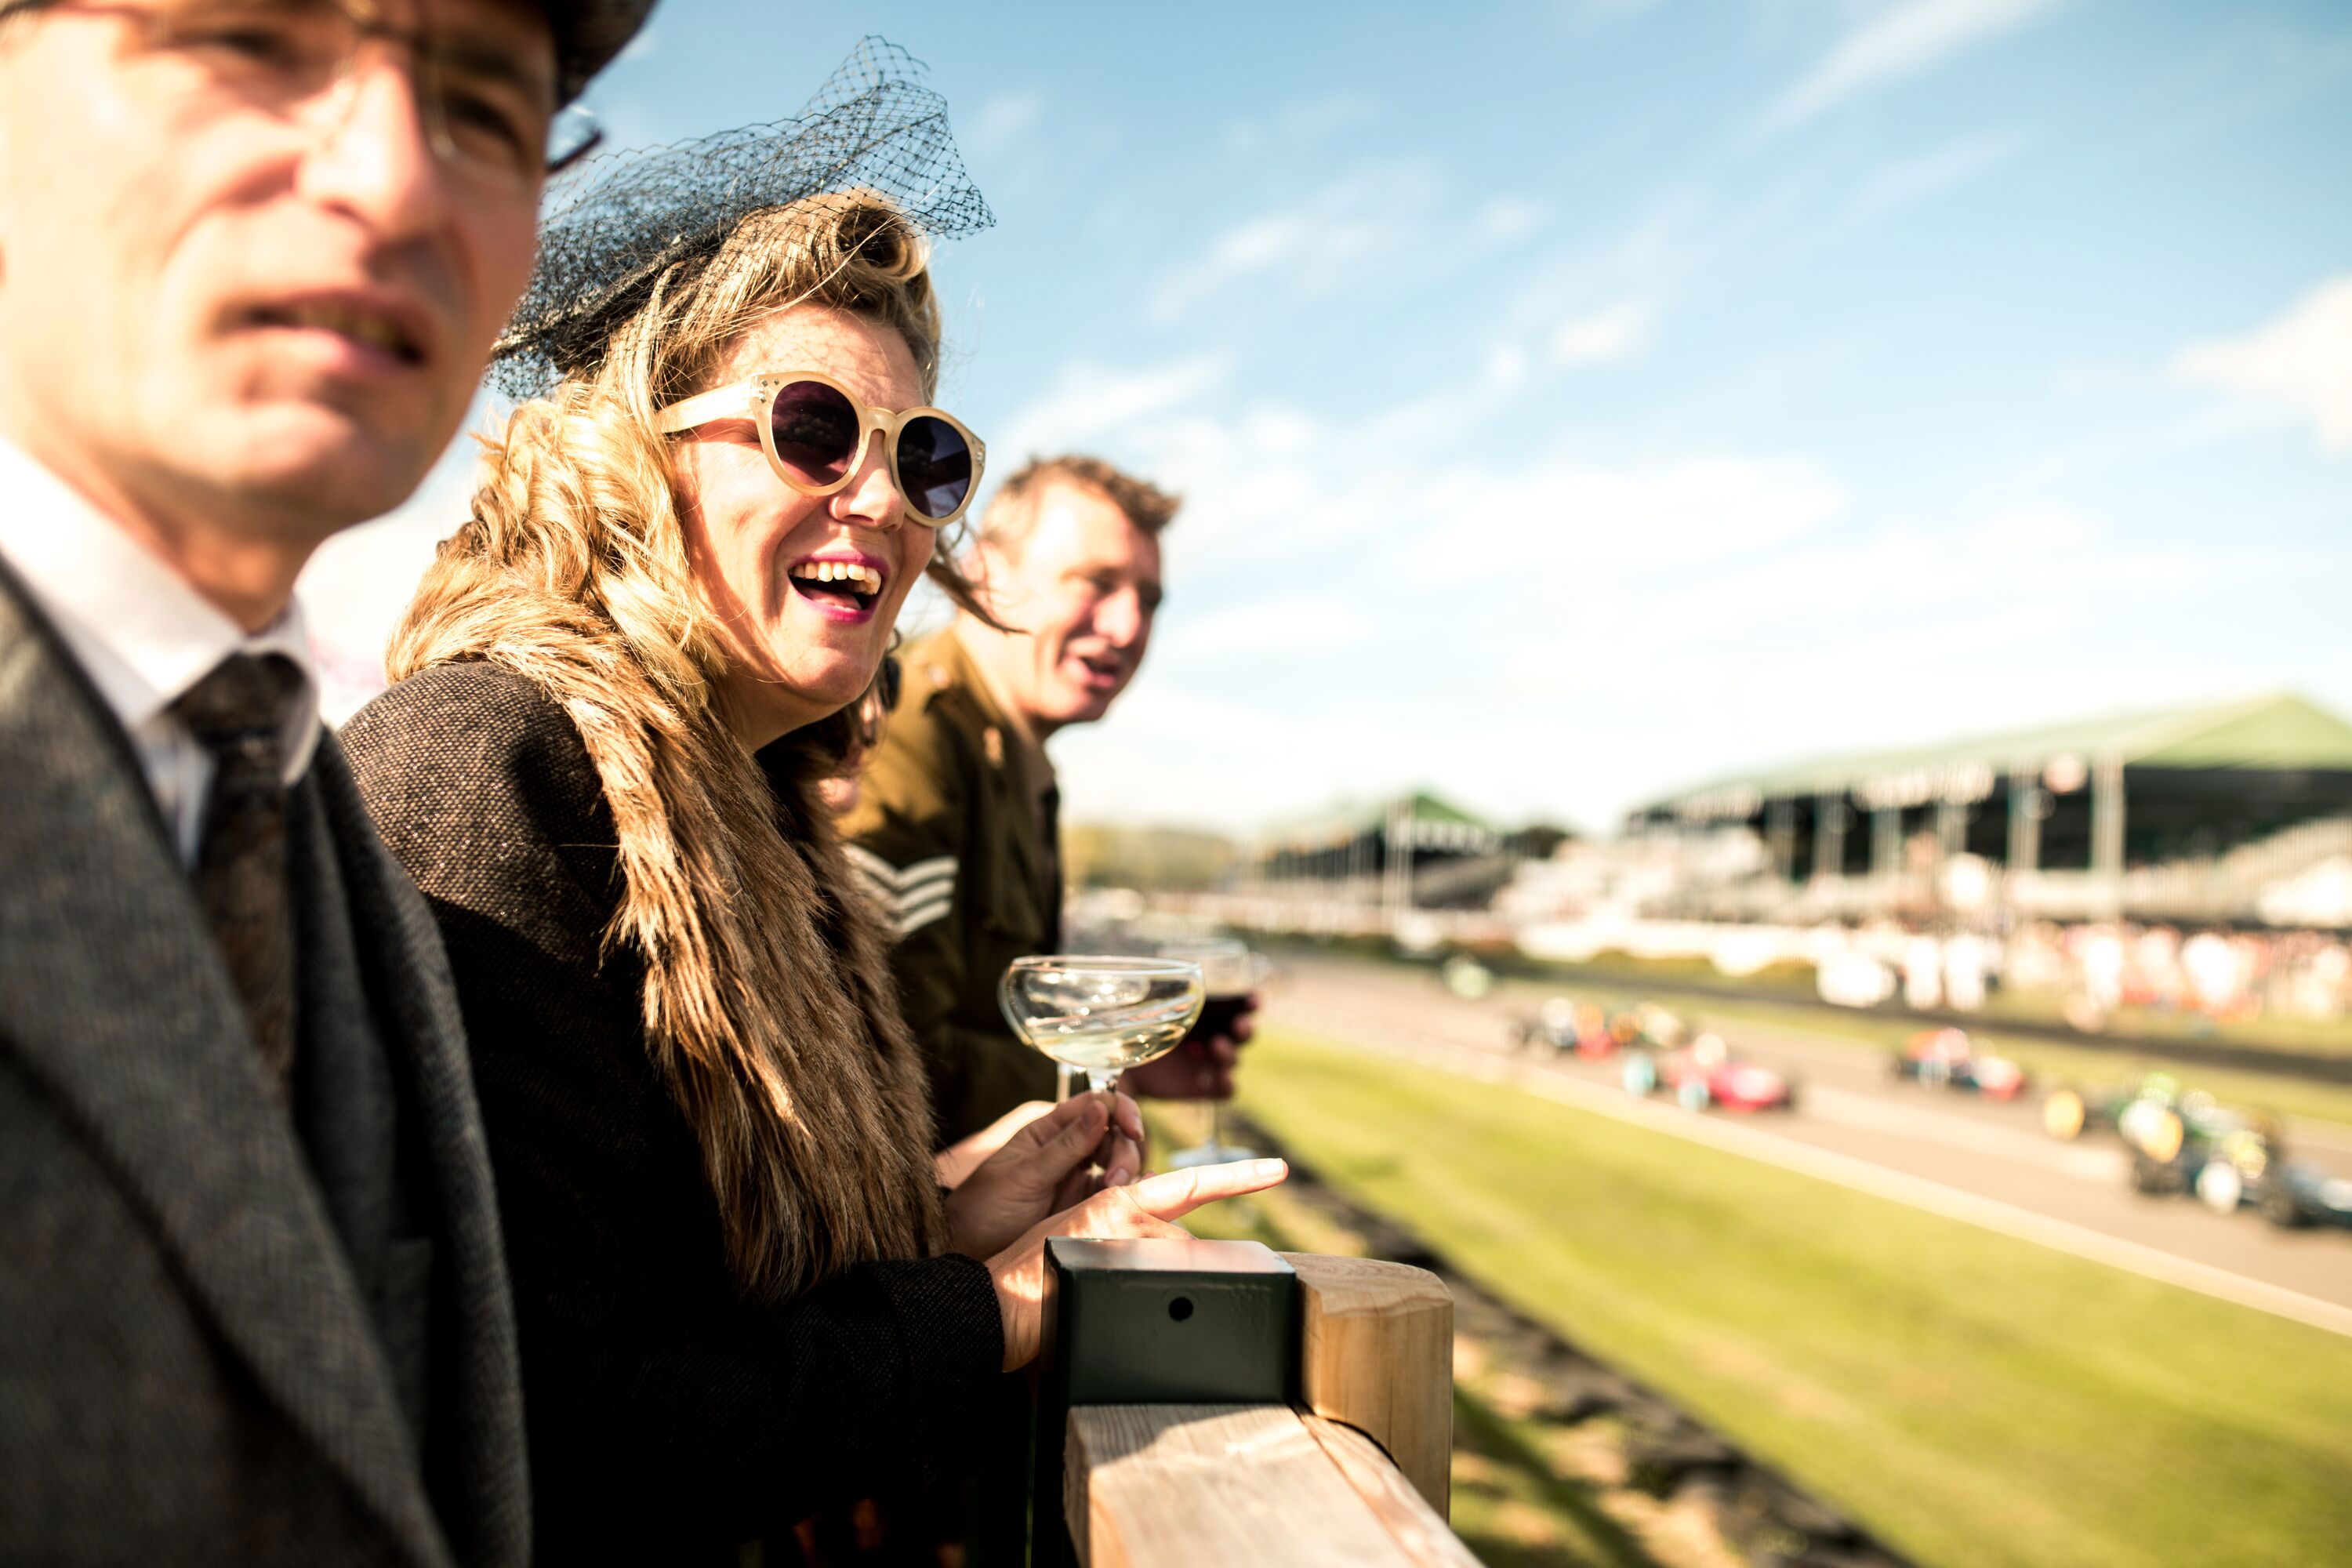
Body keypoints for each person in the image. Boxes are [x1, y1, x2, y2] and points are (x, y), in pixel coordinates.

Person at [339, 63, 1285, 1560]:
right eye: (813, 429)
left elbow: (715, 1291)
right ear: (637, 460)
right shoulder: (488, 767)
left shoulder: (765, 813)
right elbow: (556, 1436)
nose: (887, 502)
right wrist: (1000, 1307)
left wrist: (942, 1224)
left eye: (925, 459)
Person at [0, 1, 653, 1563]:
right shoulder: (461, 765)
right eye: (248, 35)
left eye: (488, 109)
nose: (395, 179)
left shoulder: (298, 804)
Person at [844, 456, 1252, 1145]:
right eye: (1096, 583)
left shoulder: (1021, 761)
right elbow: (891, 1049)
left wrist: (1137, 1065)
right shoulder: (911, 728)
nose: (1127, 627)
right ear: (987, 574)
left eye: (1148, 600)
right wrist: (1113, 1069)